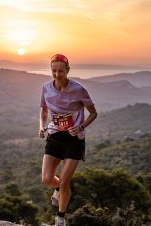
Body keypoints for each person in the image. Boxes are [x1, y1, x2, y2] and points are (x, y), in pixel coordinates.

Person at [39, 54, 97, 226]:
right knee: (47, 179)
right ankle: (58, 188)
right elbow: (43, 109)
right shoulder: (46, 87)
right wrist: (42, 125)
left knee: (65, 182)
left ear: (68, 70)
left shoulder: (79, 89)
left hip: (74, 139)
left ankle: (60, 218)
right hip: (55, 136)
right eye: (54, 71)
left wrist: (81, 126)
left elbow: (93, 113)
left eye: (61, 71)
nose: (57, 75)